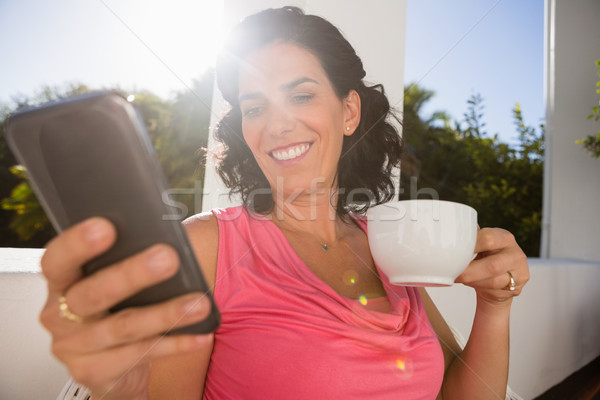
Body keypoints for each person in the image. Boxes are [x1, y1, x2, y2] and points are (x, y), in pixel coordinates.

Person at [40, 7, 529, 400]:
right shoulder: (206, 246)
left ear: (350, 111)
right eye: (255, 107)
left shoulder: (385, 242)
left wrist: (494, 305)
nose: (277, 125)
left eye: (300, 96)